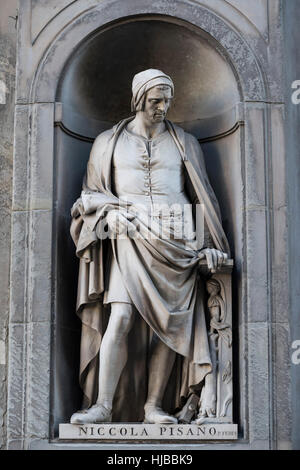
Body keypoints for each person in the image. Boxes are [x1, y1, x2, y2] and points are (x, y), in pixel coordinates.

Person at [69, 69, 230, 425]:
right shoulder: (107, 142)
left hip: (177, 241)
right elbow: (89, 195)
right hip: (129, 237)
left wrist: (210, 246)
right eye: (155, 100)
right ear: (139, 99)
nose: (162, 107)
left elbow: (200, 195)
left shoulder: (184, 142)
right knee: (121, 316)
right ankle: (103, 407)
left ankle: (154, 406)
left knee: (171, 326)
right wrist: (107, 215)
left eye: (167, 100)